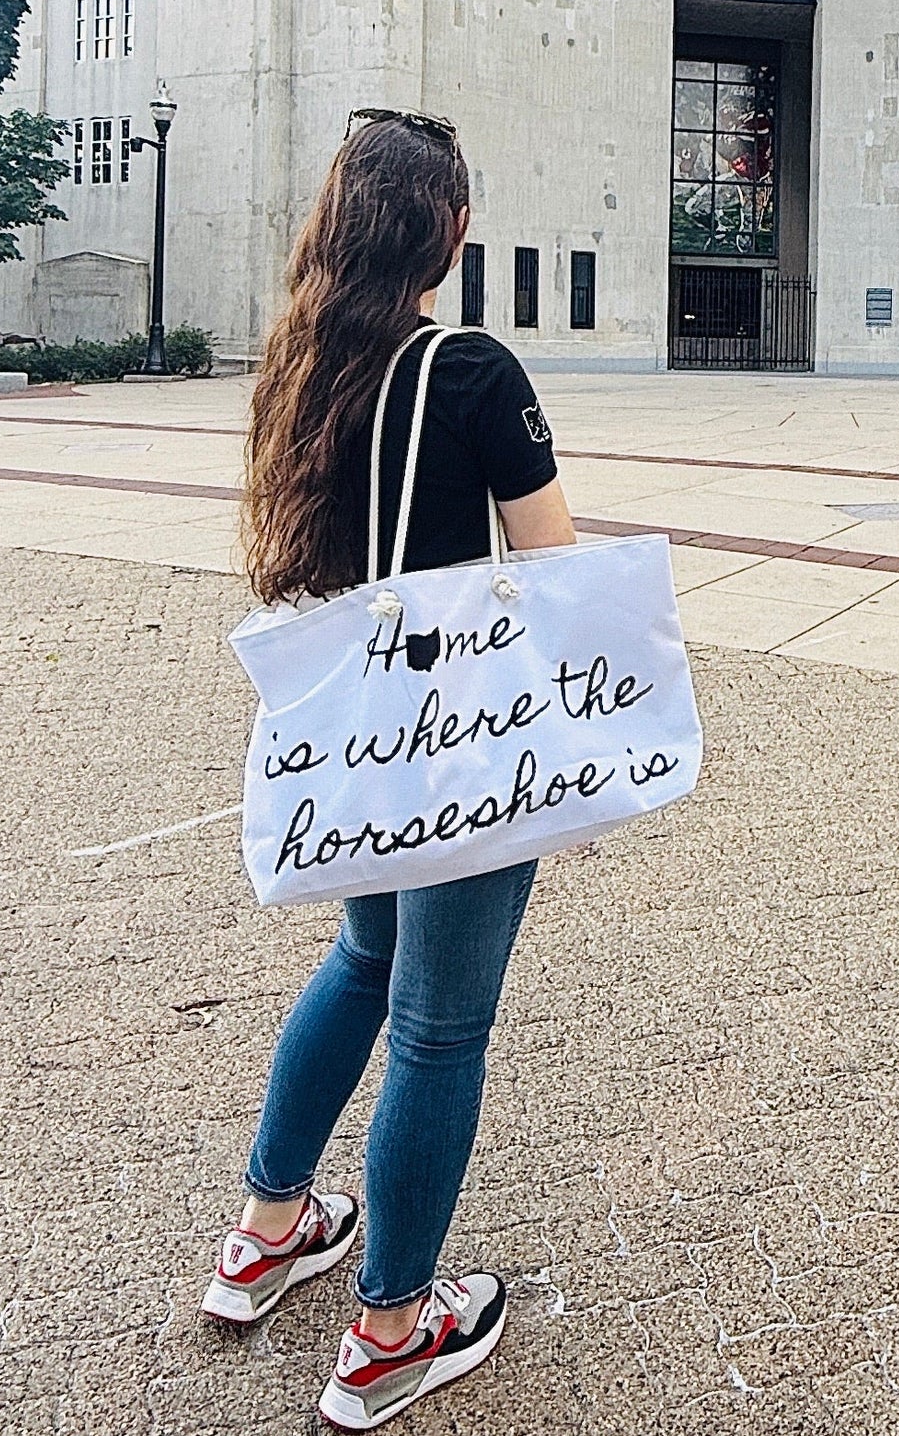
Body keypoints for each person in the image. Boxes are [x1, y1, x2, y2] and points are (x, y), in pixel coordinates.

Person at [202, 109, 577, 1430]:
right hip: (456, 747)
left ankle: (266, 1233)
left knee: (365, 960)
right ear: (448, 229)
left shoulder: (301, 363)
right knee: (437, 1024)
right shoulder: (470, 370)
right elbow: (556, 569)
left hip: (355, 746)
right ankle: (391, 1332)